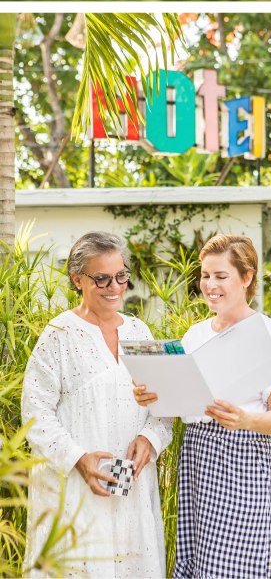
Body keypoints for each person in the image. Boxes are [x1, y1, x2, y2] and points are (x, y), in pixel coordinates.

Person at [134, 234, 271, 579]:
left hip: (243, 455)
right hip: (197, 453)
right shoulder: (194, 335)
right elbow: (182, 401)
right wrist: (153, 395)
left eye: (221, 276)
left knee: (234, 566)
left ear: (247, 277)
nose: (210, 285)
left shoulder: (267, 335)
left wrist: (245, 419)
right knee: (196, 562)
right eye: (205, 275)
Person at [21, 232, 172, 577]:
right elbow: (35, 413)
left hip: (131, 488)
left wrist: (150, 438)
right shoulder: (58, 334)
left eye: (121, 276)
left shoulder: (141, 332)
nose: (115, 286)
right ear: (77, 279)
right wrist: (79, 460)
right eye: (101, 278)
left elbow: (163, 405)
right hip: (75, 487)